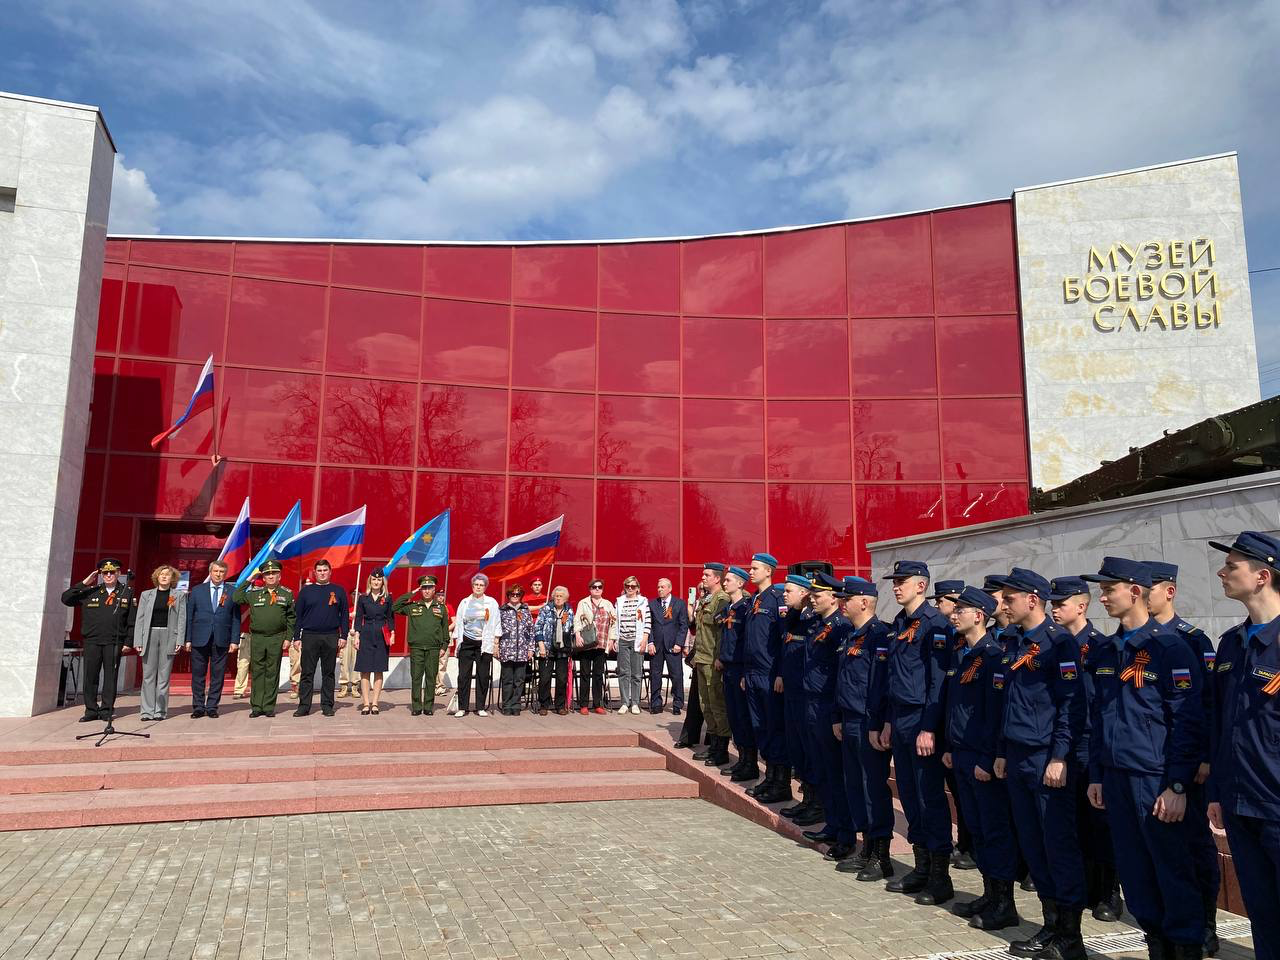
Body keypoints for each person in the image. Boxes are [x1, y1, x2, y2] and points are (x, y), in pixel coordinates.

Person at [1085, 556, 1204, 960]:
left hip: (1155, 780)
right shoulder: (1106, 651)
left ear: (1135, 591)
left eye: (1109, 589)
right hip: (1116, 778)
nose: (1102, 597)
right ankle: (1156, 945)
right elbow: (1098, 718)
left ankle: (1186, 947)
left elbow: (1187, 722)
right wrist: (1097, 774)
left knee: (1172, 871)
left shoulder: (1170, 648)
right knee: (1135, 873)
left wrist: (1177, 785)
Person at [994, 566, 1087, 959]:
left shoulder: (1058, 643)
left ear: (1032, 600)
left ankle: (1070, 936)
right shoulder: (1014, 641)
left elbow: (1071, 705)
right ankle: (1050, 926)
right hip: (1017, 755)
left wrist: (1060, 756)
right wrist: (1002, 751)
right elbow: (1008, 701)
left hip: (1046, 758)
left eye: (1009, 598)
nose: (1003, 604)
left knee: (1058, 845)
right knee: (1033, 846)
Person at [1208, 530, 1280, 960]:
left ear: (1262, 576)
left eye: (1231, 566)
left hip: (1276, 804)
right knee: (1263, 914)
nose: (1222, 572)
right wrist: (1217, 792)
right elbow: (1221, 725)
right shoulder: (1232, 643)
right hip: (1241, 805)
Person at [1146, 560, 1221, 955]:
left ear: (1169, 591)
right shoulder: (1140, 642)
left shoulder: (1191, 639)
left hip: (1190, 765)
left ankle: (1206, 921)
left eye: (1151, 587)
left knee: (1195, 844)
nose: (1143, 594)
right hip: (1155, 766)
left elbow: (1204, 704)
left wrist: (1205, 757)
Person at [942, 587, 1020, 930]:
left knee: (994, 830)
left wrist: (988, 758)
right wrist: (949, 746)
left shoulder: (992, 657)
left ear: (979, 616)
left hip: (981, 758)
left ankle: (1004, 903)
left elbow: (994, 714)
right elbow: (956, 708)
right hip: (961, 753)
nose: (953, 614)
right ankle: (989, 894)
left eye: (960, 610)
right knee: (977, 830)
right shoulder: (964, 654)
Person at [1048, 575, 1124, 923]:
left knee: (1099, 821)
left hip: (1090, 743)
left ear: (1081, 606)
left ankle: (1109, 891)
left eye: (1060, 604)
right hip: (1063, 741)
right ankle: (1085, 886)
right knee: (1073, 820)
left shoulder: (1099, 646)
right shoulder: (1053, 645)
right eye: (1052, 604)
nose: (1054, 609)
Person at [879, 560, 953, 899]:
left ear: (921, 585)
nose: (896, 587)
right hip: (900, 718)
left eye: (902, 581)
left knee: (929, 797)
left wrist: (929, 727)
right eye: (894, 581)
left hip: (922, 720)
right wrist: (888, 721)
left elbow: (938, 682)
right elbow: (894, 678)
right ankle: (921, 866)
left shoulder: (935, 624)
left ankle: (940, 876)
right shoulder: (899, 622)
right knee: (909, 794)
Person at [833, 576, 895, 881]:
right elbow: (843, 680)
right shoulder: (851, 635)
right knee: (855, 787)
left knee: (873, 789)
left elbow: (879, 686)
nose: (843, 603)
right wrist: (838, 716)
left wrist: (875, 724)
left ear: (865, 602)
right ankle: (867, 848)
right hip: (849, 720)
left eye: (848, 599)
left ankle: (881, 856)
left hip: (867, 723)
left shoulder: (878, 635)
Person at [799, 574, 858, 862]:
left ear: (834, 598)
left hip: (828, 706)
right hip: (812, 703)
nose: (812, 598)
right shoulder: (819, 624)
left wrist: (836, 713)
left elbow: (839, 675)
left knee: (836, 772)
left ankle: (846, 835)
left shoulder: (841, 627)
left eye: (818, 594)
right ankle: (833, 824)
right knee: (823, 769)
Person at [62, 559, 136, 722]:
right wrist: (84, 583)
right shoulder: (91, 591)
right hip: (93, 641)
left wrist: (128, 642)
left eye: (112, 572)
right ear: (101, 574)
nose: (108, 575)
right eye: (105, 572)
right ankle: (91, 710)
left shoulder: (126, 592)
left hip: (114, 641)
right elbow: (66, 599)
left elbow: (131, 621)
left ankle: (106, 710)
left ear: (118, 573)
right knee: (90, 676)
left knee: (110, 677)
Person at [743, 554, 790, 803]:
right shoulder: (754, 600)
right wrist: (745, 673)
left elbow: (784, 638)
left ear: (769, 571)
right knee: (760, 726)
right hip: (752, 673)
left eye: (755, 568)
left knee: (774, 727)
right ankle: (770, 776)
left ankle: (781, 783)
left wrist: (781, 672)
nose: (750, 572)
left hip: (770, 674)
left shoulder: (777, 599)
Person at [232, 559, 295, 718]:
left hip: (277, 638)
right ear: (263, 577)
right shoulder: (254, 594)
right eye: (267, 574)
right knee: (258, 671)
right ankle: (256, 706)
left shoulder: (287, 594)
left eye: (274, 573)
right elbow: (236, 597)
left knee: (272, 672)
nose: (271, 576)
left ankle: (268, 706)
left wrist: (288, 638)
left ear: (279, 576)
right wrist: (249, 579)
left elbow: (291, 618)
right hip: (258, 638)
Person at [775, 573, 815, 816]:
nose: (784, 594)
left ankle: (815, 802)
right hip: (791, 688)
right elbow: (786, 646)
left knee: (808, 748)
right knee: (796, 746)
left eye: (789, 591)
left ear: (804, 593)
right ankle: (807, 798)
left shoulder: (812, 618)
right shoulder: (793, 616)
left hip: (804, 692)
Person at [292, 559, 348, 717]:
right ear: (315, 573)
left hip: (331, 635)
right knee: (307, 673)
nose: (322, 573)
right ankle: (304, 706)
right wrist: (297, 637)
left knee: (328, 673)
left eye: (325, 570)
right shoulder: (306, 591)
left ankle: (327, 705)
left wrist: (343, 635)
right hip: (310, 635)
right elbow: (298, 616)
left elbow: (344, 615)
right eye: (319, 570)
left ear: (330, 572)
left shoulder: (338, 590)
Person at [185, 559, 240, 718]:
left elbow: (235, 618)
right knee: (198, 675)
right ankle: (198, 707)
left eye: (221, 572)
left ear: (225, 574)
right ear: (210, 572)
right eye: (215, 571)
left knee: (218, 675)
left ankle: (212, 707)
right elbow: (189, 616)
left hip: (222, 638)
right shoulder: (197, 591)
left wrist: (234, 640)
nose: (218, 574)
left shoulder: (232, 592)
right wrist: (187, 639)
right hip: (199, 638)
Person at [131, 565, 187, 721]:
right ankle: (147, 711)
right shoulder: (146, 595)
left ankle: (160, 711)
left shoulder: (179, 596)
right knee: (148, 675)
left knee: (164, 675)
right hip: (149, 635)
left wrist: (180, 639)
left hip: (169, 636)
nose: (164, 577)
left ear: (172, 578)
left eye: (167, 575)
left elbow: (182, 618)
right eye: (161, 574)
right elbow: (140, 618)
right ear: (157, 576)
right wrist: (138, 640)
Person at [717, 567, 756, 780]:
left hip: (740, 667)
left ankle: (750, 763)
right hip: (728, 668)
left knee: (743, 716)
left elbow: (746, 642)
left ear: (740, 583)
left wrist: (745, 671)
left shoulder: (746, 608)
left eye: (729, 580)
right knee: (733, 715)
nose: (725, 583)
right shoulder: (728, 608)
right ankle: (742, 759)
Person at [394, 574, 451, 716]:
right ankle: (417, 706)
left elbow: (445, 630)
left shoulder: (441, 608)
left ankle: (428, 706)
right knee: (416, 677)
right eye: (424, 588)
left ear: (434, 590)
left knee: (431, 678)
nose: (427, 591)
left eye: (429, 588)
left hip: (433, 648)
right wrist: (412, 592)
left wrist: (444, 647)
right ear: (421, 589)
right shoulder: (413, 606)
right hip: (417, 648)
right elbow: (395, 606)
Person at [691, 564, 731, 764]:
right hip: (701, 658)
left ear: (717, 578)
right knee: (705, 704)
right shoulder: (705, 599)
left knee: (717, 705)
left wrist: (720, 657)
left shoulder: (722, 600)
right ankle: (713, 745)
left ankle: (721, 750)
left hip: (713, 661)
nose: (703, 577)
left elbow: (723, 632)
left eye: (707, 575)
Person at [453, 573, 501, 716]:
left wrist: (496, 643)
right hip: (467, 642)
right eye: (476, 584)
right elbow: (459, 623)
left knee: (483, 676)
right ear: (472, 586)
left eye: (481, 585)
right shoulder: (465, 602)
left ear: (485, 587)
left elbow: (497, 622)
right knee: (463, 676)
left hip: (484, 644)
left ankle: (480, 707)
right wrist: (457, 642)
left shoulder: (491, 602)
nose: (478, 587)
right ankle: (462, 707)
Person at [353, 571, 393, 716]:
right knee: (365, 670)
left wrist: (393, 633)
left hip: (381, 635)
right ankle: (365, 703)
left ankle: (375, 703)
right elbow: (359, 618)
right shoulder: (363, 598)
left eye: (379, 580)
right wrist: (357, 636)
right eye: (374, 580)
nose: (376, 582)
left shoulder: (387, 598)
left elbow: (390, 617)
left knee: (378, 669)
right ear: (370, 581)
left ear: (383, 582)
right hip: (366, 635)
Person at [647, 578, 688, 714]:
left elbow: (683, 625)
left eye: (662, 587)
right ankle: (656, 703)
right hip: (656, 646)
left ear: (670, 588)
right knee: (655, 675)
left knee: (676, 675)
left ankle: (677, 704)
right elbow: (649, 625)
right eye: (658, 587)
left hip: (673, 645)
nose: (659, 589)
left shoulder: (679, 604)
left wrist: (679, 643)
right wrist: (650, 642)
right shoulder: (652, 604)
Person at [675, 584, 709, 748]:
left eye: (704, 590)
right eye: (700, 590)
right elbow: (694, 628)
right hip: (699, 655)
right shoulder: (701, 604)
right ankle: (689, 736)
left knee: (712, 703)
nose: (701, 592)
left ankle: (713, 740)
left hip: (711, 657)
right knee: (695, 699)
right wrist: (690, 612)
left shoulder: (721, 601)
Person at [574, 579, 614, 714]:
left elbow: (613, 622)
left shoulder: (608, 604)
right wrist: (577, 635)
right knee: (585, 674)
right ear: (590, 589)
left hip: (601, 643)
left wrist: (612, 639)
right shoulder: (583, 602)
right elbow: (577, 620)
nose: (597, 589)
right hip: (587, 642)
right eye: (594, 587)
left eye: (599, 587)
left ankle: (598, 704)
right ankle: (584, 704)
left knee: (598, 674)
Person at [534, 586, 574, 714]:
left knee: (562, 679)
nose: (558, 598)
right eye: (556, 596)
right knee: (545, 678)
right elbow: (537, 627)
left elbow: (572, 628)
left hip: (563, 649)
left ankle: (560, 705)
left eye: (561, 596)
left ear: (565, 598)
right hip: (546, 648)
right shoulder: (546, 609)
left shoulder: (569, 610)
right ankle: (544, 705)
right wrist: (541, 645)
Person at [612, 576, 650, 715]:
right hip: (622, 640)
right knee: (623, 672)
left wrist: (645, 639)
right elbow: (614, 621)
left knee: (636, 673)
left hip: (637, 640)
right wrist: (614, 639)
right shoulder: (619, 601)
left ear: (637, 588)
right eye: (627, 586)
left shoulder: (643, 601)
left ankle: (635, 703)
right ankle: (624, 702)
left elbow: (647, 622)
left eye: (633, 586)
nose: (630, 588)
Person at [498, 585, 536, 715]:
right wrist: (496, 647)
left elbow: (531, 630)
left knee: (519, 680)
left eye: (517, 594)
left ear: (521, 596)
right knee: (507, 679)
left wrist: (531, 648)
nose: (515, 597)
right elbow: (496, 630)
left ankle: (516, 705)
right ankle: (507, 705)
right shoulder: (502, 610)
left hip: (522, 650)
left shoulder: (525, 610)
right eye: (512, 594)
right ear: (508, 595)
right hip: (507, 649)